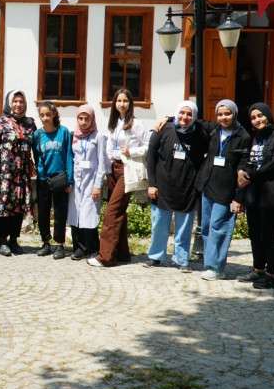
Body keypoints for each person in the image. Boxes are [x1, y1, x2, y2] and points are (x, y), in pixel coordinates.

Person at [144, 101, 209, 272]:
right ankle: (156, 256)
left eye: (189, 114)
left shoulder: (200, 134)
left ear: (194, 116)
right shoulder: (163, 129)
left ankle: (181, 260)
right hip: (162, 187)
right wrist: (151, 184)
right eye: (181, 113)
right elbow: (150, 156)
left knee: (184, 228)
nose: (185, 117)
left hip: (187, 188)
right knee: (159, 225)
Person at [89, 88, 147, 267]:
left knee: (111, 213)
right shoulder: (113, 123)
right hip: (113, 169)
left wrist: (132, 151)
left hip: (127, 169)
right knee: (119, 211)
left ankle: (105, 256)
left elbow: (147, 145)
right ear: (114, 103)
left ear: (130, 104)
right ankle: (122, 253)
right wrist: (106, 171)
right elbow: (109, 148)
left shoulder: (136, 124)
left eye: (125, 101)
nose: (122, 104)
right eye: (119, 101)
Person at [236, 103, 274, 290]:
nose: (257, 120)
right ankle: (258, 269)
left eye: (260, 116)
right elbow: (252, 161)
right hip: (255, 193)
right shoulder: (257, 137)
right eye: (253, 117)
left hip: (272, 193)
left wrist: (250, 176)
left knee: (269, 236)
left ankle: (271, 274)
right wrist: (244, 172)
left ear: (268, 115)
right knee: (255, 235)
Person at [196, 100, 251, 280]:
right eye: (220, 114)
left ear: (234, 114)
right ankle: (209, 262)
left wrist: (238, 198)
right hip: (208, 185)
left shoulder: (243, 136)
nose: (223, 117)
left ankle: (216, 268)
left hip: (226, 190)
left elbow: (244, 170)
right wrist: (168, 118)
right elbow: (193, 121)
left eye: (227, 114)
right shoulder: (214, 130)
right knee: (206, 227)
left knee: (219, 228)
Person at [0, 90, 36, 256]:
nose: (18, 105)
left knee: (18, 205)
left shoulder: (30, 123)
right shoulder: (1, 122)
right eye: (15, 101)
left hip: (22, 172)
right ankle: (2, 241)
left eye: (21, 102)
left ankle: (14, 239)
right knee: (3, 205)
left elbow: (34, 146)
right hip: (5, 172)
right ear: (9, 103)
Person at [32, 102, 74, 260]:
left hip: (60, 179)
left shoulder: (64, 133)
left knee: (60, 212)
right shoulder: (37, 135)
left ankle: (60, 244)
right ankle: (45, 242)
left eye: (48, 115)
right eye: (42, 115)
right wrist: (40, 172)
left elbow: (69, 156)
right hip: (43, 179)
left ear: (54, 114)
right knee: (42, 212)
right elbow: (36, 157)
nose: (45, 118)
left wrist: (69, 180)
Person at [68, 105, 105, 261]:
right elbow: (71, 158)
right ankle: (78, 248)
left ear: (92, 119)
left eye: (86, 118)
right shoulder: (73, 136)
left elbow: (102, 163)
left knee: (89, 216)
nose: (83, 122)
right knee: (75, 215)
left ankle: (91, 248)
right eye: (80, 118)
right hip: (76, 182)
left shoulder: (98, 137)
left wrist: (98, 185)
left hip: (91, 182)